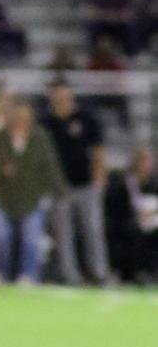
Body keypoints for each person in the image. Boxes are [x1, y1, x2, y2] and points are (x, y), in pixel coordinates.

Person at [0, 95, 66, 284]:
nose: (21, 120)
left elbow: (50, 167)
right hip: (2, 196)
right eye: (17, 115)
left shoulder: (40, 138)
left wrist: (55, 192)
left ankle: (29, 275)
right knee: (0, 238)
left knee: (31, 239)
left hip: (31, 197)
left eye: (25, 116)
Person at [41, 79, 111, 285]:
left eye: (64, 96)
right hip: (59, 187)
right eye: (57, 96)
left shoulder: (86, 120)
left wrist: (99, 180)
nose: (61, 100)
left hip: (86, 184)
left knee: (93, 230)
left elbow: (99, 151)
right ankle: (70, 275)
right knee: (63, 234)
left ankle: (99, 272)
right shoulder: (46, 123)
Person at [104, 144, 158, 284]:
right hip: (124, 225)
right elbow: (116, 210)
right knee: (134, 232)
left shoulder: (153, 184)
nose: (148, 165)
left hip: (149, 224)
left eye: (150, 162)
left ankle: (151, 271)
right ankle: (135, 272)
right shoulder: (122, 183)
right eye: (144, 161)